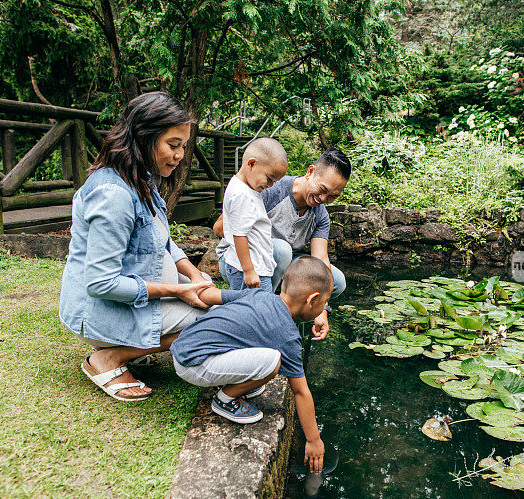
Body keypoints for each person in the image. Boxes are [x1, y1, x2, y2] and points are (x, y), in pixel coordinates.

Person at [59, 92, 213, 402]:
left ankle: (130, 346)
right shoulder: (114, 195)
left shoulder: (141, 180)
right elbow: (101, 282)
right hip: (98, 311)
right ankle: (109, 358)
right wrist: (178, 291)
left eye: (183, 146)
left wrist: (192, 274)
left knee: (212, 300)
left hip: (134, 302)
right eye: (173, 145)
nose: (181, 154)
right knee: (212, 318)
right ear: (144, 138)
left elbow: (163, 240)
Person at [170, 256, 332, 473]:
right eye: (323, 304)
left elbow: (214, 295)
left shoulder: (258, 295)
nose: (323, 309)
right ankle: (225, 400)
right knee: (272, 362)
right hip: (194, 364)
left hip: (185, 345)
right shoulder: (287, 335)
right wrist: (313, 441)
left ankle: (241, 383)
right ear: (311, 300)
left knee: (256, 347)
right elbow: (300, 391)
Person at [214, 148, 351, 341]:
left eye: (332, 197)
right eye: (322, 190)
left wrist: (322, 309)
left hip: (276, 268)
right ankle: (266, 316)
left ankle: (284, 314)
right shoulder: (271, 189)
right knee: (281, 250)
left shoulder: (320, 215)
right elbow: (220, 228)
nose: (323, 200)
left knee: (335, 280)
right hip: (240, 263)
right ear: (310, 172)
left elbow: (320, 259)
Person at [219, 137, 288, 292]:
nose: (270, 185)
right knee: (256, 311)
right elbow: (239, 235)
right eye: (269, 178)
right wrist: (249, 271)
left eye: (274, 182)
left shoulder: (245, 187)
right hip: (250, 270)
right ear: (251, 164)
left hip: (256, 266)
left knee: (257, 309)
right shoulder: (242, 195)